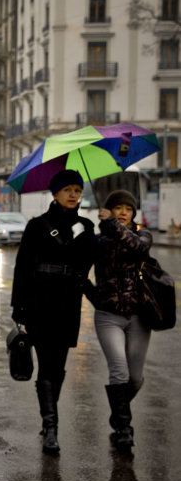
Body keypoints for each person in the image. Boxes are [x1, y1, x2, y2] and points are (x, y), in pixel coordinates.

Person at [11, 169, 96, 454]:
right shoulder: (38, 225)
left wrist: (101, 230)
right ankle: (51, 427)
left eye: (77, 190)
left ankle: (49, 420)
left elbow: (87, 263)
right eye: (68, 190)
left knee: (57, 366)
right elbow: (22, 267)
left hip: (68, 304)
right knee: (47, 363)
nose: (73, 195)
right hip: (39, 303)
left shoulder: (86, 226)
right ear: (55, 193)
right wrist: (18, 307)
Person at [92, 189, 153, 452]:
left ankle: (117, 414)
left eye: (128, 208)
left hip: (139, 317)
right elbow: (80, 271)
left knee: (135, 379)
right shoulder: (99, 241)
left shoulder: (142, 235)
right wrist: (96, 298)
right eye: (118, 208)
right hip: (108, 317)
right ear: (110, 210)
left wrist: (112, 224)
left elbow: (137, 247)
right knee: (119, 371)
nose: (124, 212)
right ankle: (124, 430)